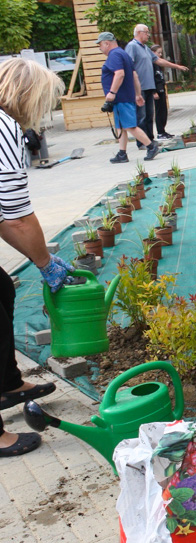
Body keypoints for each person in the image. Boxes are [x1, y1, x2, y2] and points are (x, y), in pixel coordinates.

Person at [0, 58, 75, 457]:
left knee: (1, 290)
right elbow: (18, 216)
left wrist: (41, 257)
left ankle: (7, 383)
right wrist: (45, 262)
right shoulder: (5, 127)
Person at [97, 32, 159, 163]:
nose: (99, 48)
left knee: (130, 126)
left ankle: (151, 146)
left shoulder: (114, 55)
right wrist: (137, 94)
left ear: (107, 43)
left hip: (120, 97)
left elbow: (120, 74)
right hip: (125, 97)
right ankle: (122, 153)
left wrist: (112, 93)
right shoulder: (123, 53)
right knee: (120, 127)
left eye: (100, 45)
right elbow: (134, 75)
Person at [125, 24, 188, 146]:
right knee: (141, 116)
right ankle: (142, 143)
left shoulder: (145, 48)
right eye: (147, 32)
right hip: (140, 88)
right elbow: (129, 66)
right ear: (139, 32)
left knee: (149, 116)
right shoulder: (132, 46)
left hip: (149, 87)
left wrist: (176, 66)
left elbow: (158, 60)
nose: (148, 35)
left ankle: (150, 140)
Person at [151, 45, 171, 140]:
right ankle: (160, 132)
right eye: (158, 52)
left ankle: (163, 130)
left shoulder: (158, 65)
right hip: (157, 91)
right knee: (159, 111)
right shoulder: (151, 64)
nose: (160, 54)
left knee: (164, 111)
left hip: (162, 89)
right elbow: (151, 78)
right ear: (153, 53)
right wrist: (154, 92)